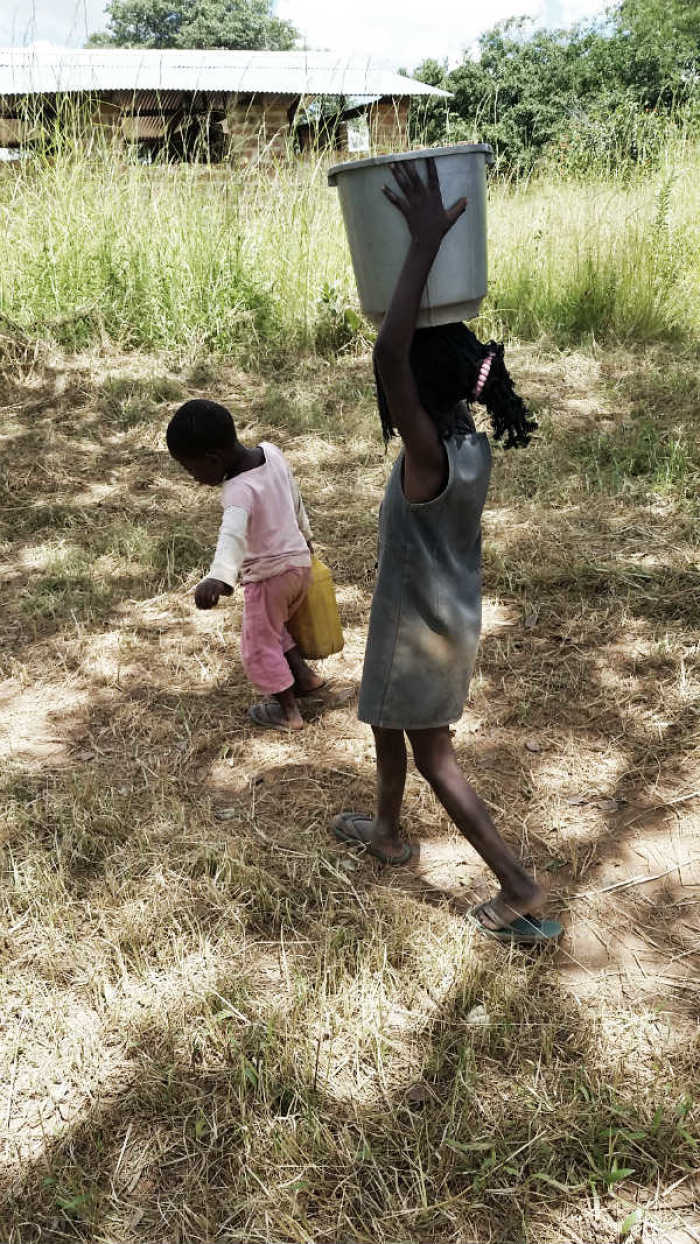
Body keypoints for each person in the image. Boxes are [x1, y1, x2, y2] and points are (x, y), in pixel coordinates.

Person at [332, 157, 562, 945]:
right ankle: (388, 831)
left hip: (421, 631)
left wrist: (423, 243)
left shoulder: (427, 452)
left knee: (436, 756)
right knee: (385, 727)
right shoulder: (470, 443)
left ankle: (519, 885)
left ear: (417, 392)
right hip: (436, 615)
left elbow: (390, 353)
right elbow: (406, 362)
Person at [166, 398, 323, 731]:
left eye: (193, 471)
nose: (195, 479)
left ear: (213, 459)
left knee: (257, 644)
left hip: (269, 578)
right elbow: (294, 497)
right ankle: (305, 679)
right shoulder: (273, 453)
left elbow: (232, 537)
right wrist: (306, 536)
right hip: (299, 565)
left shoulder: (237, 490)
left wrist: (218, 578)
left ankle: (288, 711)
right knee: (275, 627)